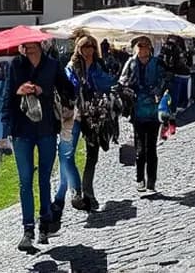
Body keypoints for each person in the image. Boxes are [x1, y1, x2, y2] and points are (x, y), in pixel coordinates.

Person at [0, 39, 75, 250]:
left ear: (40, 45)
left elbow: (67, 89)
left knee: (44, 178)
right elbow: (7, 97)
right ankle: (28, 229)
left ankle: (45, 222)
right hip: (21, 130)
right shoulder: (16, 65)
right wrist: (19, 91)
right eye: (25, 45)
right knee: (25, 181)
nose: (28, 47)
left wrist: (44, 90)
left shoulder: (52, 65)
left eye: (32, 44)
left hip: (46, 129)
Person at [52, 33, 115, 224]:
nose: (88, 50)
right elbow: (67, 88)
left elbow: (108, 83)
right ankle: (76, 190)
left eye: (90, 47)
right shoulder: (71, 67)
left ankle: (88, 192)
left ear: (95, 49)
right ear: (78, 49)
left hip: (95, 114)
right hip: (75, 115)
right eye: (84, 47)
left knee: (92, 155)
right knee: (67, 153)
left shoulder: (99, 66)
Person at [120, 35, 169, 193]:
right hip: (137, 111)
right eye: (139, 46)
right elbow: (122, 81)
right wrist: (128, 88)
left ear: (150, 48)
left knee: (151, 149)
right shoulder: (131, 63)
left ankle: (152, 181)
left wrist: (158, 90)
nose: (142, 48)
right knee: (140, 149)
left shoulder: (157, 63)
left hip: (153, 111)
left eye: (145, 45)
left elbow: (166, 79)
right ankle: (140, 178)